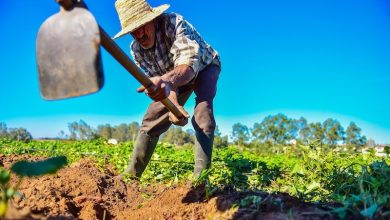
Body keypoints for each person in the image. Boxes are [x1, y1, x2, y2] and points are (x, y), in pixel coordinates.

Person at [113, 0, 221, 178]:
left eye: (142, 26)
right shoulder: (136, 50)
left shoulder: (173, 23)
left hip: (204, 66)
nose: (139, 34)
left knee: (203, 111)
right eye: (133, 30)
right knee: (152, 116)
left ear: (153, 20)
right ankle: (131, 176)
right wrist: (174, 105)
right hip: (173, 78)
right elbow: (165, 83)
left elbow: (186, 66)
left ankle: (200, 180)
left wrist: (165, 82)